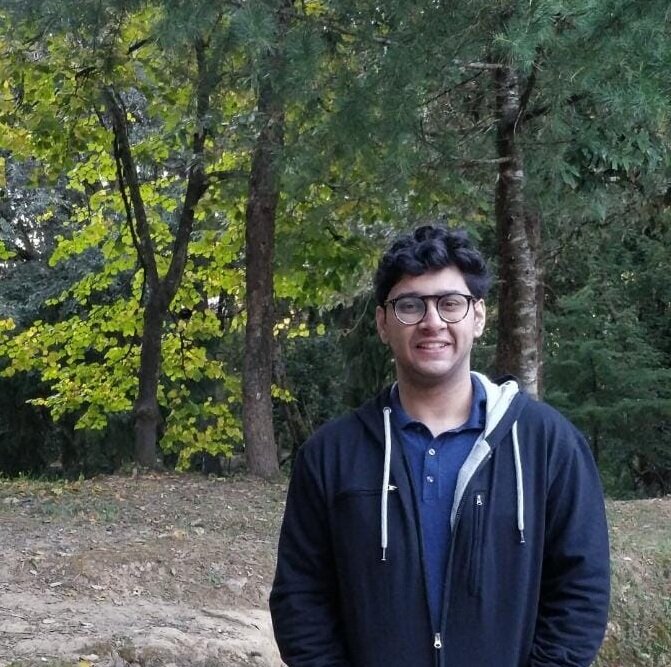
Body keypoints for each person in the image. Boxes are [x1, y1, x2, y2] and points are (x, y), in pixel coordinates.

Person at [269, 225, 610, 667]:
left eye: (450, 303)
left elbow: (581, 590)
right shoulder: (331, 456)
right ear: (383, 323)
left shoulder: (548, 445)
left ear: (478, 316)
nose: (432, 322)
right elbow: (301, 598)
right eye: (410, 305)